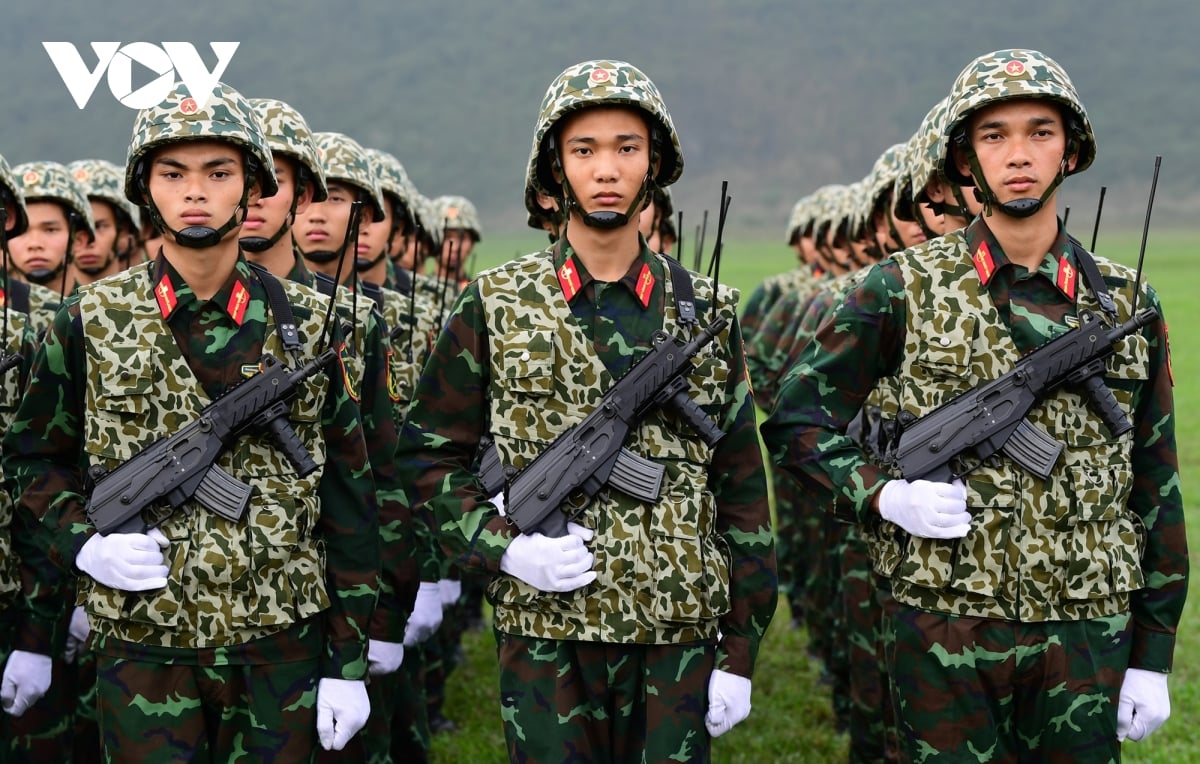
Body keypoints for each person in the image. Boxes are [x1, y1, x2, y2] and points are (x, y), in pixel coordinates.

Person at [763, 49, 1187, 761]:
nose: (1018, 154)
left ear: (1071, 150)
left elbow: (1157, 483)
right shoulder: (896, 289)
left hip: (1085, 632)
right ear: (965, 159)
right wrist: (881, 496)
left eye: (1040, 131)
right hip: (943, 630)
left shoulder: (1126, 301)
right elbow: (798, 422)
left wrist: (1152, 649)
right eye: (994, 136)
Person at [398, 58, 777, 763]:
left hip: (677, 636)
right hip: (547, 638)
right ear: (556, 168)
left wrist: (742, 648)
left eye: (626, 148)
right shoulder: (495, 305)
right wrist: (504, 548)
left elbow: (742, 488)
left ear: (653, 164)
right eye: (584, 150)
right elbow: (425, 461)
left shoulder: (706, 312)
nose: (607, 169)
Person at [2, 81, 381, 761]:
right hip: (144, 648)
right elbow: (32, 459)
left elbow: (351, 499)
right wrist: (83, 543)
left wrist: (347, 659)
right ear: (146, 190)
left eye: (218, 172)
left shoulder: (315, 323)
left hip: (280, 646)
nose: (195, 191)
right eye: (173, 174)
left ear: (253, 188)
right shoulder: (90, 319)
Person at [67, 159, 140, 287]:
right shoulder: (42, 304)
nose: (89, 241)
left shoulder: (153, 299)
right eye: (77, 227)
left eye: (99, 226)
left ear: (123, 229)